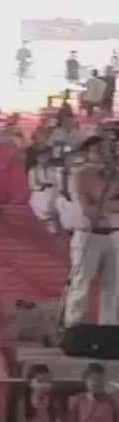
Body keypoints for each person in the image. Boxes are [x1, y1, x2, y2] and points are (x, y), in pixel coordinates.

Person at [64, 136, 119, 326]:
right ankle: (75, 327)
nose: (104, 154)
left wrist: (103, 207)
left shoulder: (115, 175)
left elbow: (101, 207)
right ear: (89, 153)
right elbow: (86, 209)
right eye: (99, 150)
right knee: (81, 283)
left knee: (113, 286)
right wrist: (108, 205)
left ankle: (110, 328)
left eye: (107, 150)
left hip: (114, 234)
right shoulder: (81, 175)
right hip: (88, 234)